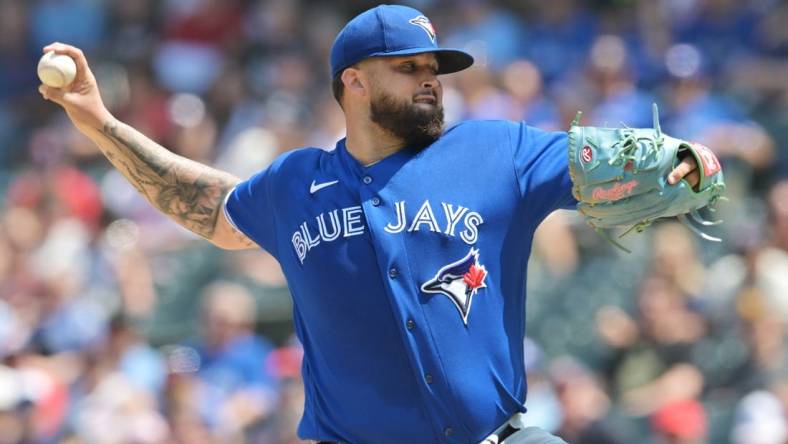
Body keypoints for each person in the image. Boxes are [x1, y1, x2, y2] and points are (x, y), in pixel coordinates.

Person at [38, 5, 704, 443]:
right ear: (352, 83)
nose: (430, 81)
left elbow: (596, 161)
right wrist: (102, 124)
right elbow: (207, 206)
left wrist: (674, 160)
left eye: (434, 69)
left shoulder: (492, 151)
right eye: (408, 67)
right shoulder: (295, 182)